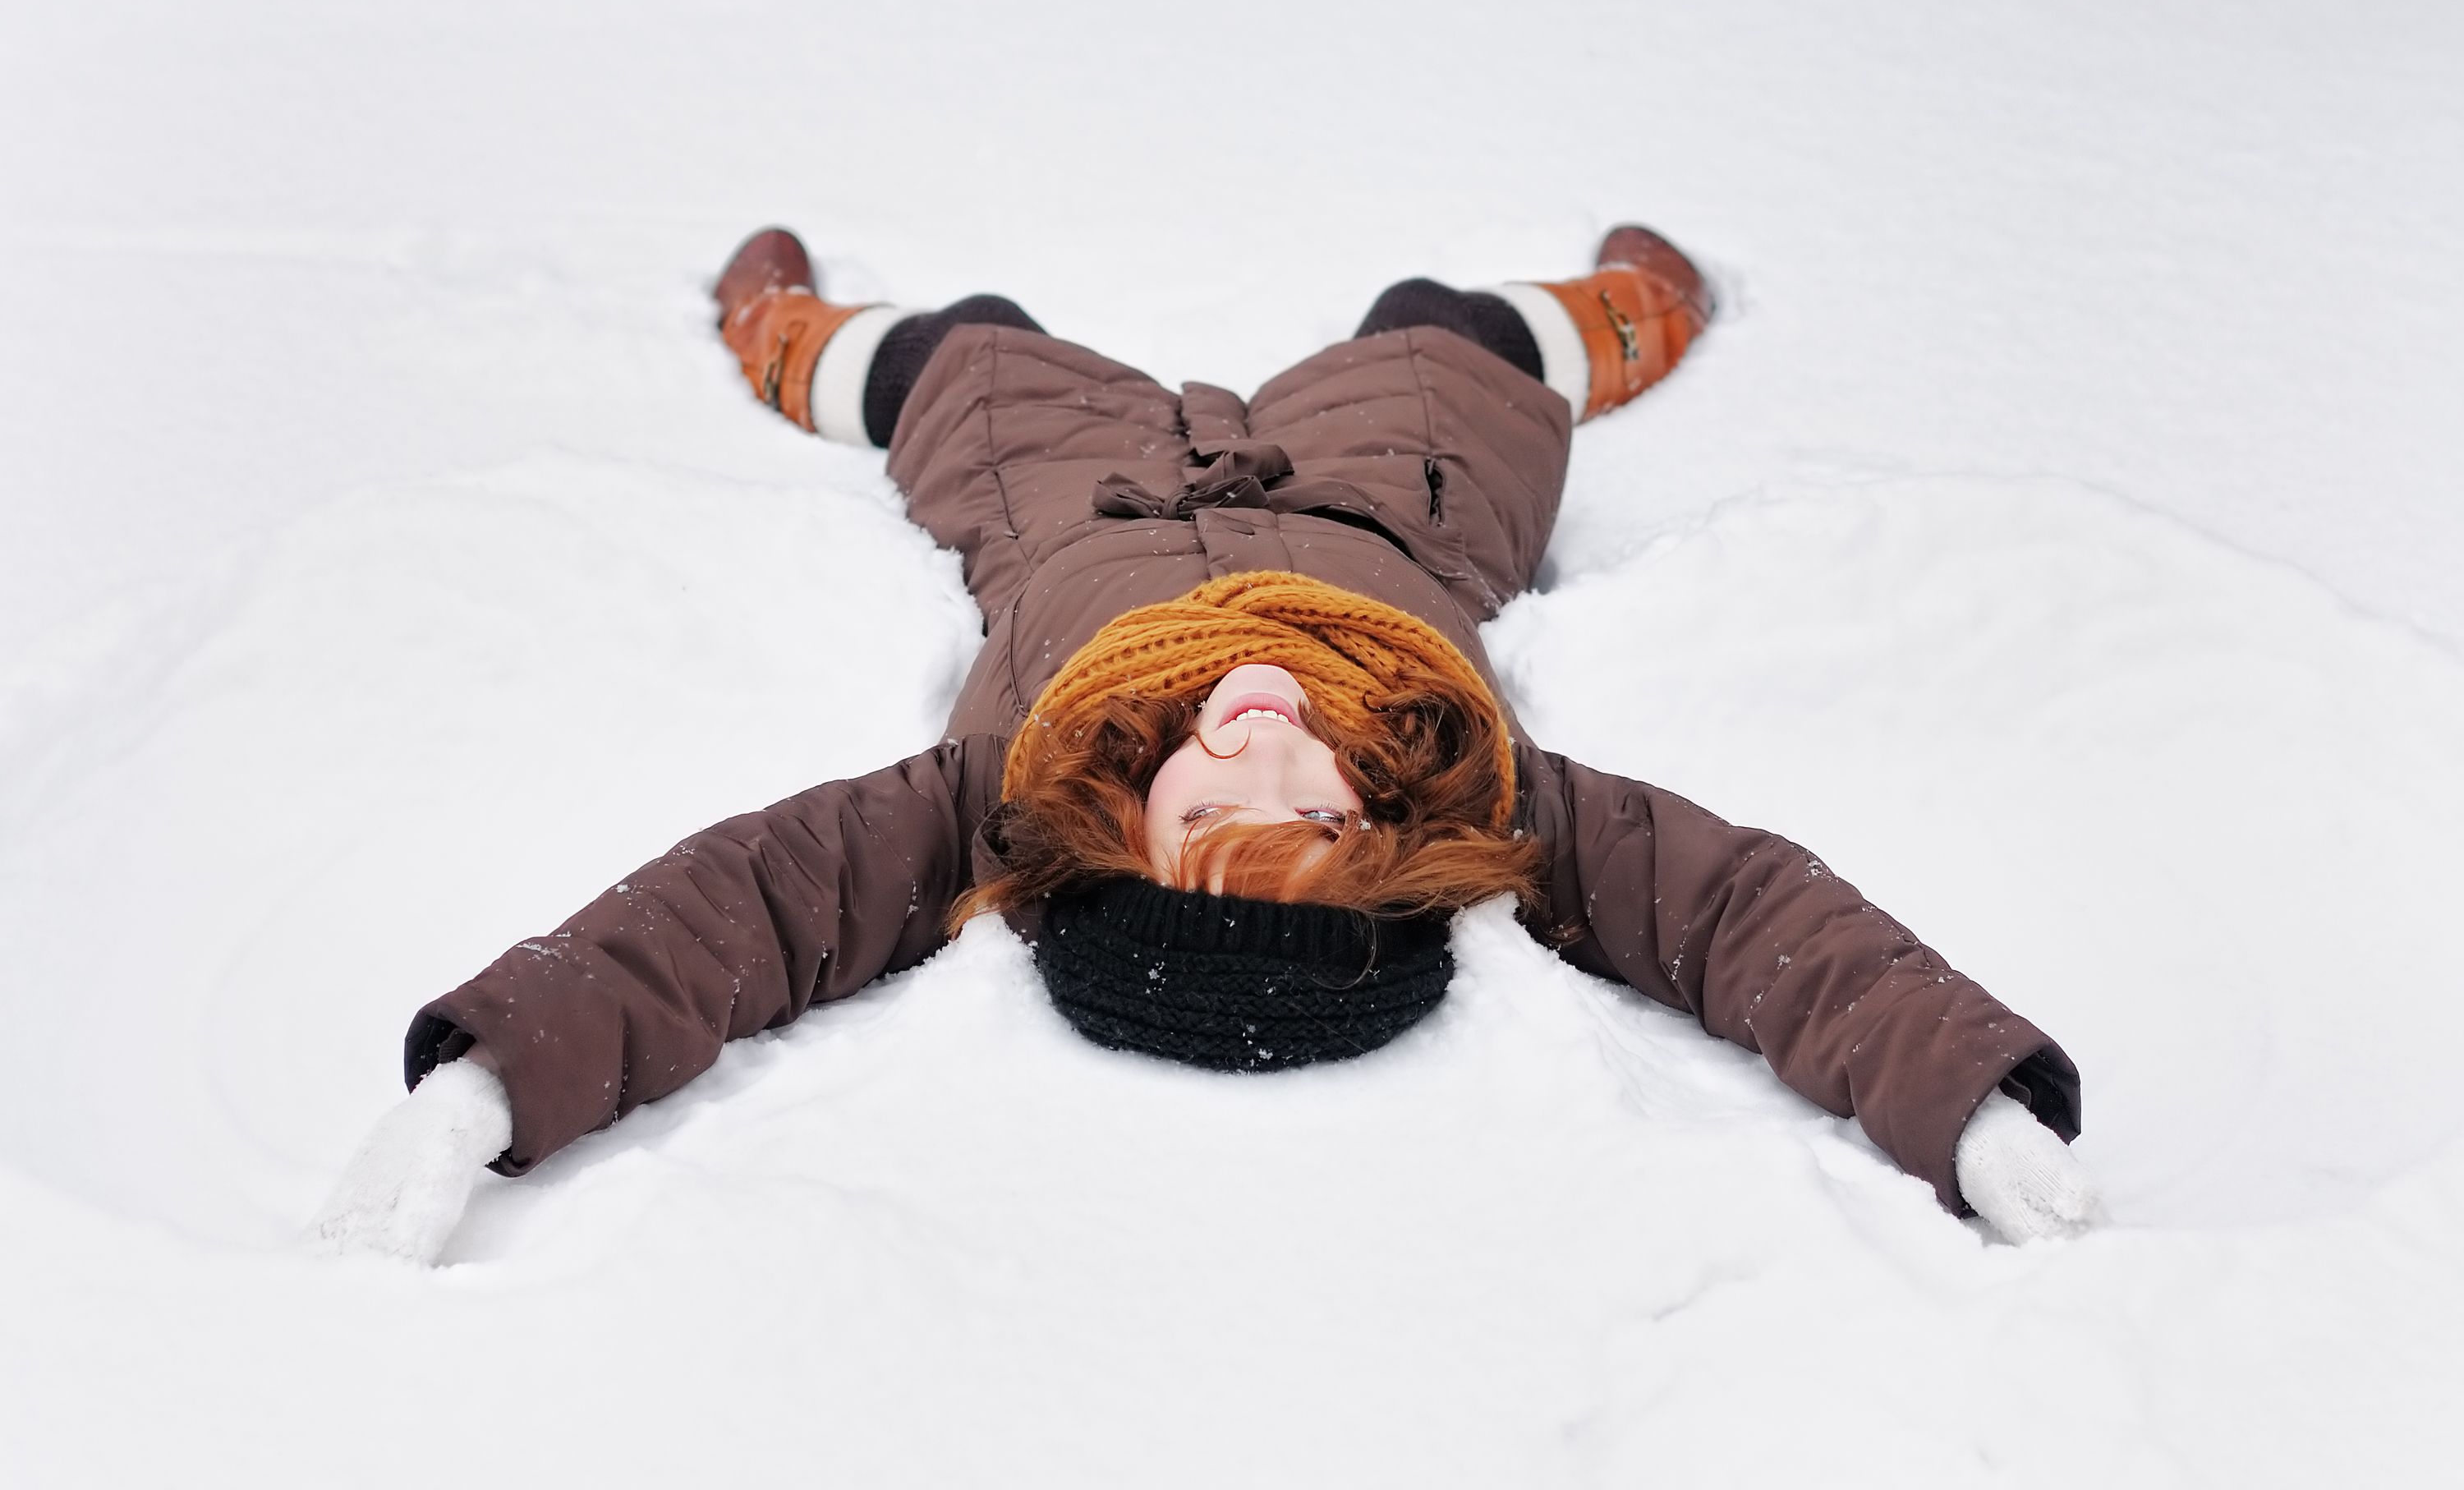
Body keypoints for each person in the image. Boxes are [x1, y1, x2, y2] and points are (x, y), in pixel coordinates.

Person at [309, 224, 2103, 1263]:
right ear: (1382, 820)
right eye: (1305, 802)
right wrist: (1966, 1095)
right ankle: (1606, 318)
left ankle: (786, 341)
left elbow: (746, 907)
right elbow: (1739, 918)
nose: (1260, 744)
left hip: (1059, 486)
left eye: (1206, 802)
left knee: (971, 342)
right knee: (1443, 327)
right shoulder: (1474, 774)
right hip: (1394, 487)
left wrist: (495, 1068)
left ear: (1116, 823)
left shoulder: (998, 786)